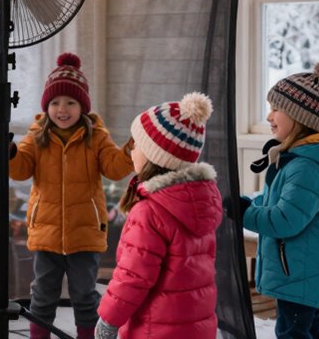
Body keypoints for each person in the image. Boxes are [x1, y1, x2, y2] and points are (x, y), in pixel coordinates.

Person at [9, 52, 135, 339]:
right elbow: (20, 169)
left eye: (70, 102)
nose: (62, 109)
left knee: (85, 295)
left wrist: (130, 151)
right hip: (46, 233)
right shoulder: (37, 135)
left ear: (83, 107)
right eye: (55, 102)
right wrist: (10, 154)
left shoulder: (96, 136)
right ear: (47, 106)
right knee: (43, 295)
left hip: (84, 234)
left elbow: (115, 168)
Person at [94, 93, 223, 339]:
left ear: (155, 155)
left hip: (155, 328)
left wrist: (109, 320)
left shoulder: (150, 211)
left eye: (136, 145)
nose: (131, 152)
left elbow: (134, 276)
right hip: (196, 326)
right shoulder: (200, 202)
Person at [241, 59, 319, 339]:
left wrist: (244, 213)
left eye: (276, 109)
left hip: (300, 275)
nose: (269, 116)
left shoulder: (306, 168)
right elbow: (278, 203)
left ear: (299, 116)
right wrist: (250, 204)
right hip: (304, 273)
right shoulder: (300, 160)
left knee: (293, 333)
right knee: (306, 331)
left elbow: (285, 220)